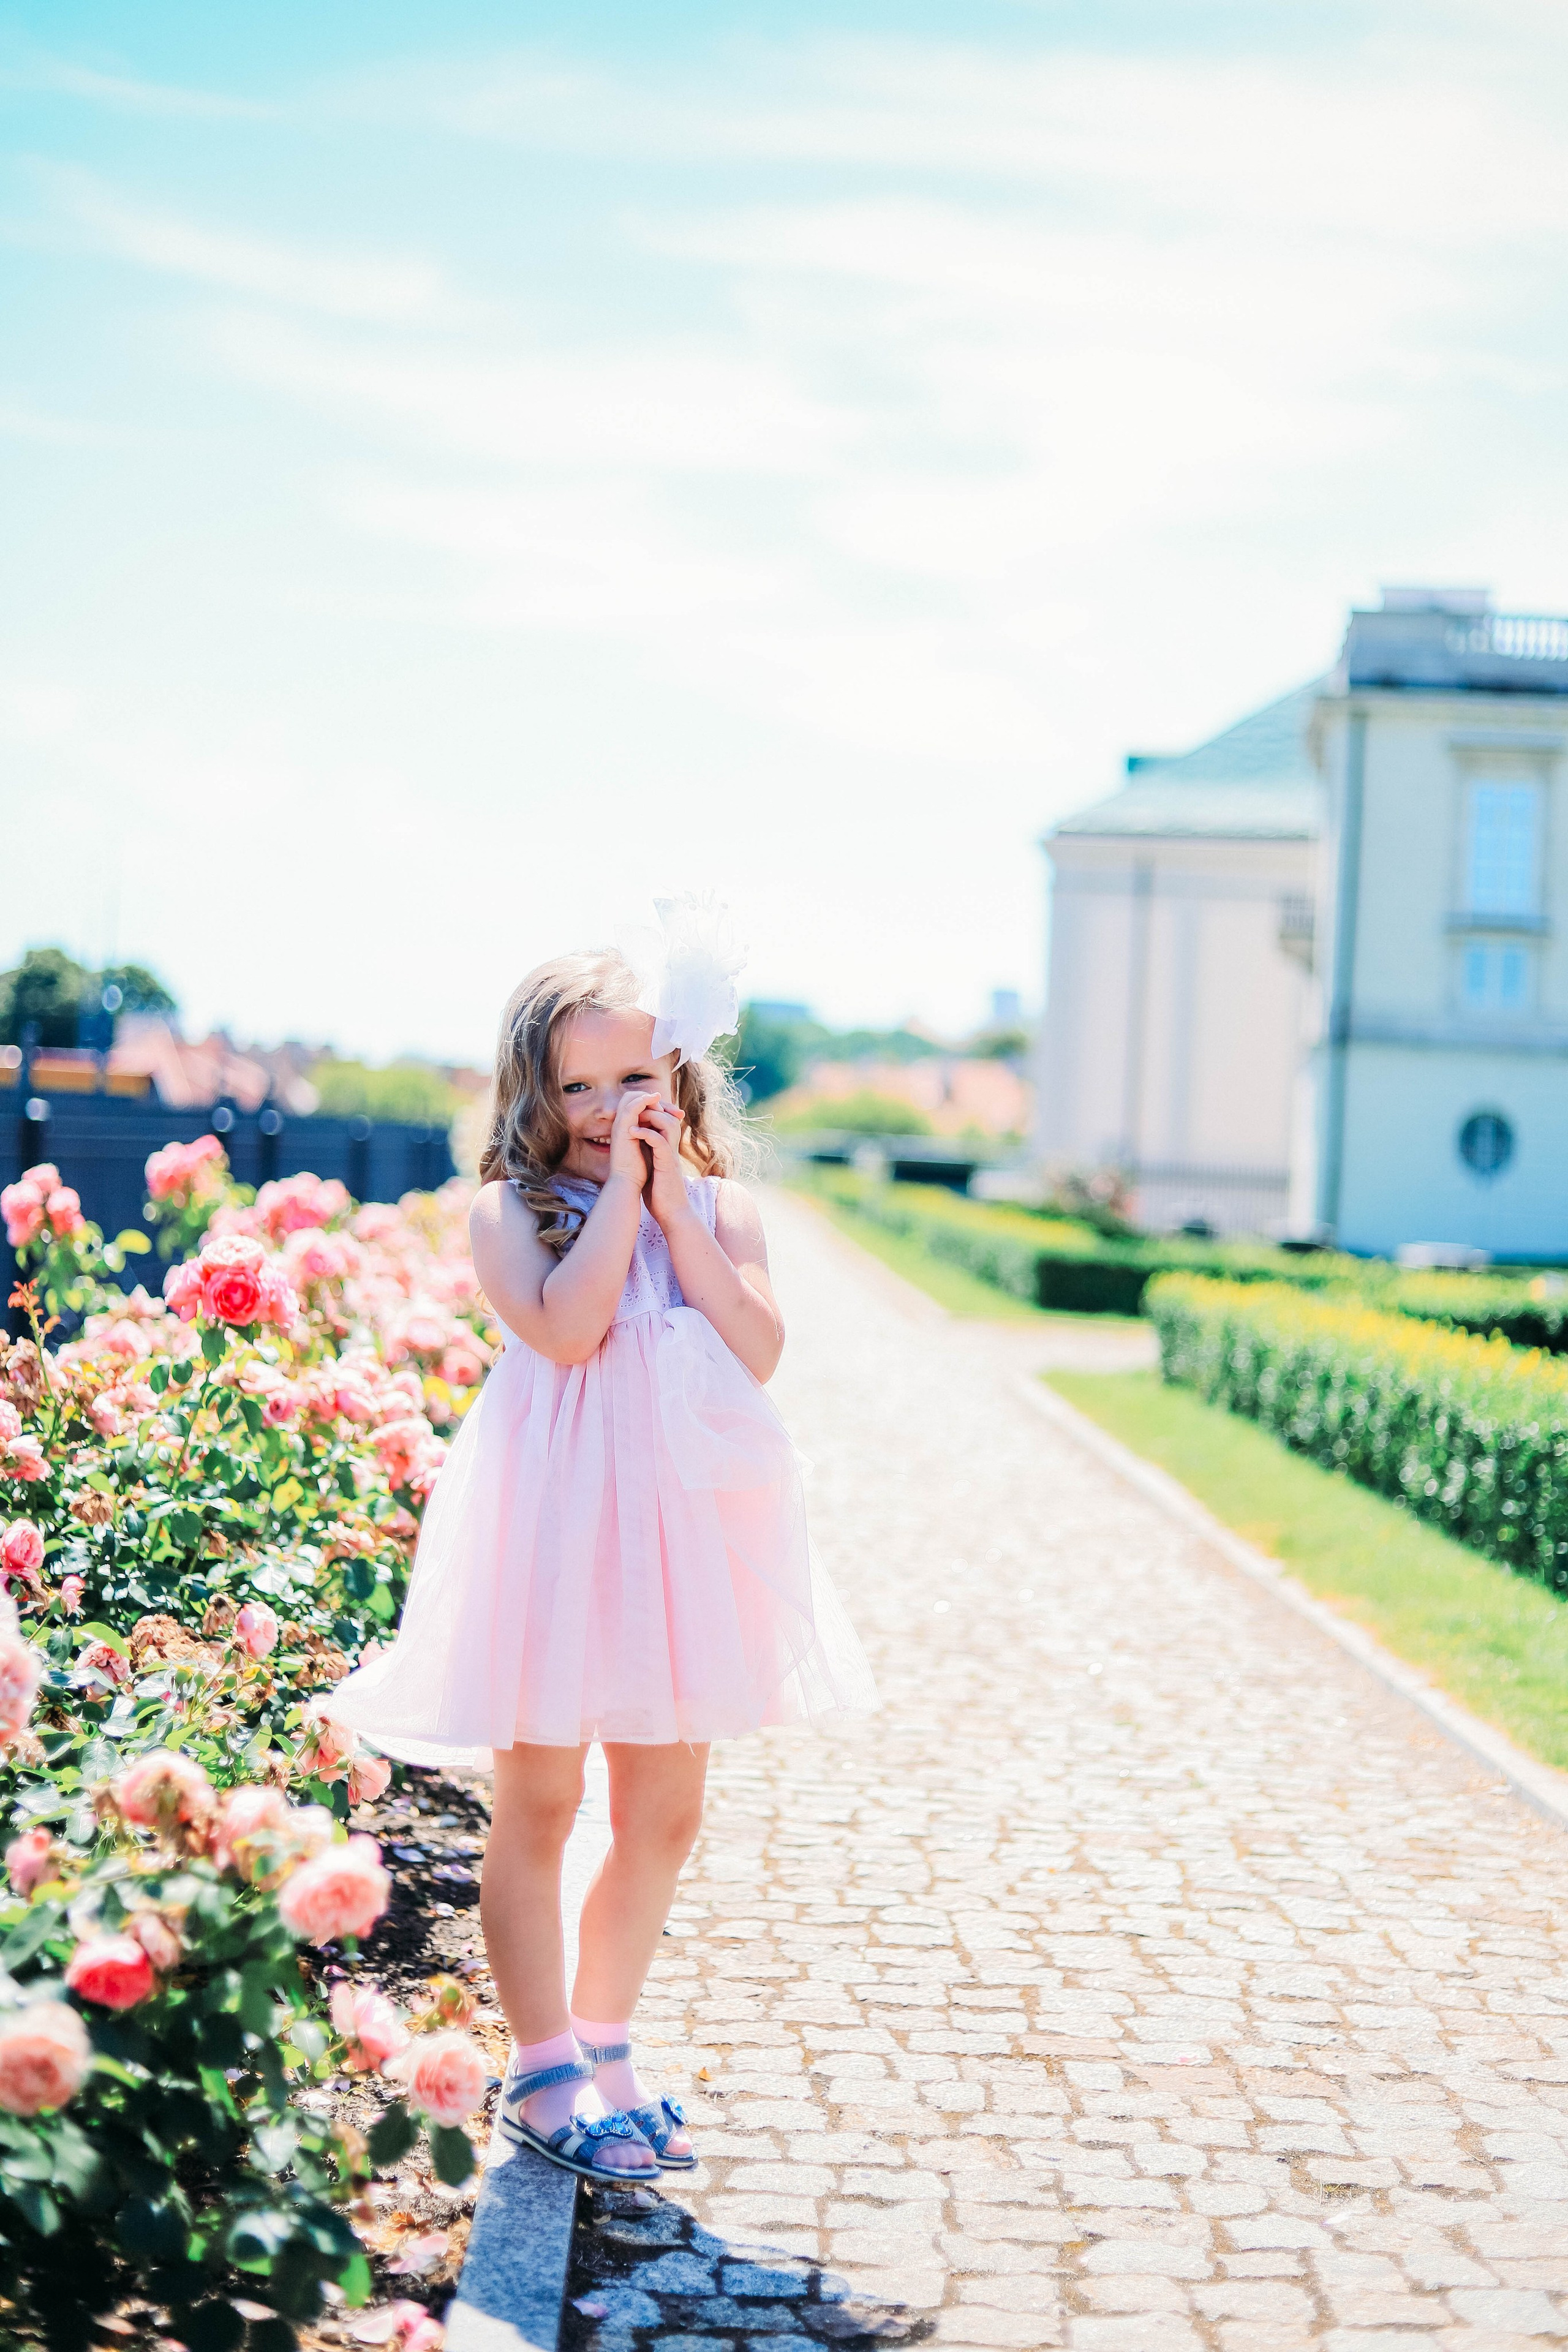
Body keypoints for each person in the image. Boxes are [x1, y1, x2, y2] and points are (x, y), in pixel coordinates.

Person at [330, 897, 875, 2180]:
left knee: (664, 1810)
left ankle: (608, 2037)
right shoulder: (510, 1213)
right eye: (578, 1083)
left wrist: (679, 1209)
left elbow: (758, 1352)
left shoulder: (721, 1218)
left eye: (633, 1074)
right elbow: (569, 1333)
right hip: (554, 1531)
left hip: (674, 1540)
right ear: (536, 1089)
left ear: (675, 1071)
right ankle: (543, 2066)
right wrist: (621, 1204)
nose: (605, 1104)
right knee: (540, 1797)